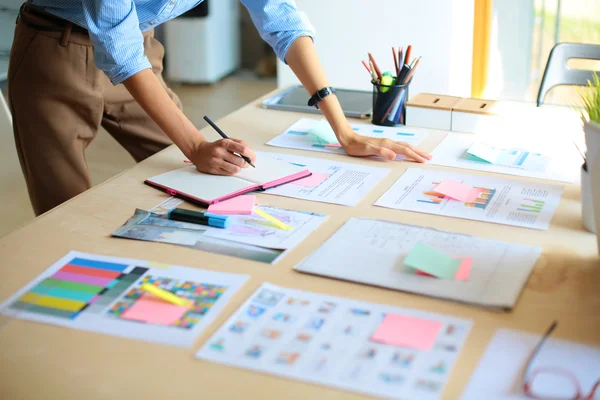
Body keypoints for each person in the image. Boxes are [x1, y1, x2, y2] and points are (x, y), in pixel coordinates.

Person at [8, 0, 431, 216]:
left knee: (202, 181)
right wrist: (194, 144)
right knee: (64, 209)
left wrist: (344, 129)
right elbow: (118, 52)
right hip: (55, 51)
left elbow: (281, 20)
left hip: (140, 48)